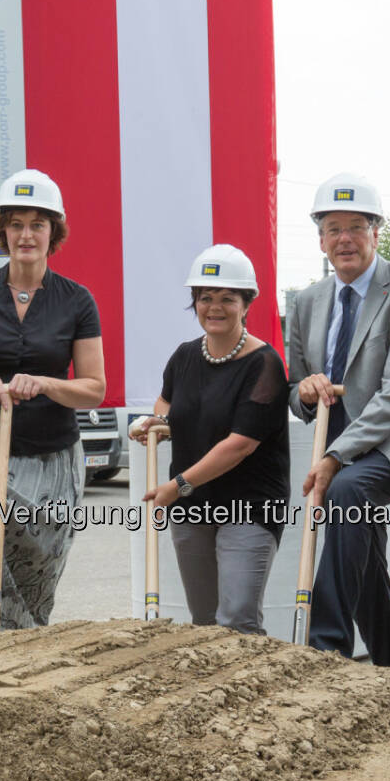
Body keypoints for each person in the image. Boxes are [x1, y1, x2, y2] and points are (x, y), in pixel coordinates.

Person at [0, 169, 104, 630]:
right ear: (2, 230)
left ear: (54, 232)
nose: (26, 234)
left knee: (40, 563)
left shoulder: (77, 301)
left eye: (38, 224)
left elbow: (94, 387)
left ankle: (27, 642)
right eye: (16, 223)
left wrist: (47, 384)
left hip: (53, 454)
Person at [286, 172, 390, 667]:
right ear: (320, 240)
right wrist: (306, 390)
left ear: (377, 232)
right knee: (363, 553)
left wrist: (336, 456)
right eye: (334, 229)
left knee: (349, 493)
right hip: (338, 445)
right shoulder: (306, 302)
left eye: (357, 227)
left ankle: (325, 643)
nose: (345, 239)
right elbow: (294, 390)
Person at [132, 244, 289, 633]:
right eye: (205, 298)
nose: (214, 307)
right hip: (192, 506)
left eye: (227, 298)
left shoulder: (265, 364)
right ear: (194, 302)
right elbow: (168, 402)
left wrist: (178, 484)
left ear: (246, 303)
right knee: (205, 624)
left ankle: (256, 693)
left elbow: (241, 444)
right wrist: (154, 422)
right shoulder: (184, 356)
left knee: (236, 620)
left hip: (248, 507)